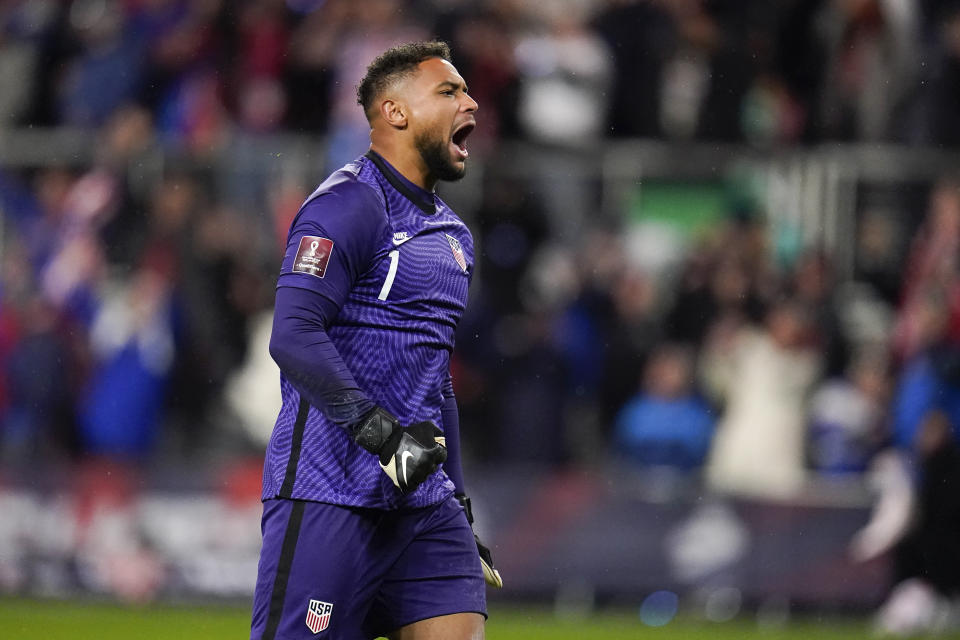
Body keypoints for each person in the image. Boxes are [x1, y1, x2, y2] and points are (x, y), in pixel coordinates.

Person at [250, 41, 499, 640]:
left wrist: (458, 503)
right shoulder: (346, 207)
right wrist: (384, 439)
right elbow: (293, 336)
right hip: (329, 491)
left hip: (421, 500)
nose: (471, 103)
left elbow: (435, 379)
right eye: (450, 91)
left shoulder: (454, 238)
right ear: (395, 112)